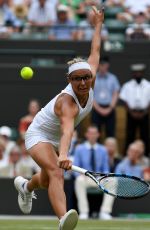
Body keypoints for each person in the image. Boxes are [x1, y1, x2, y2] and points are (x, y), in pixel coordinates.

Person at [14, 6, 104, 230]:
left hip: (57, 140)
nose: (82, 83)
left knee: (45, 181)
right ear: (69, 79)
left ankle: (26, 187)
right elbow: (67, 129)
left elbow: (95, 51)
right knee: (56, 172)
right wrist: (63, 154)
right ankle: (63, 219)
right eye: (77, 79)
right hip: (39, 135)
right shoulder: (67, 102)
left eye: (86, 78)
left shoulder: (89, 77)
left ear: (90, 76)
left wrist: (98, 25)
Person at [73, 125, 109, 219]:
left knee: (113, 182)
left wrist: (104, 176)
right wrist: (81, 175)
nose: (92, 135)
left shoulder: (103, 150)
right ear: (86, 135)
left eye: (94, 133)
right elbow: (75, 167)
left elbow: (106, 168)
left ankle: (105, 212)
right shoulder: (79, 149)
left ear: (98, 135)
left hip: (100, 179)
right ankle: (84, 212)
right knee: (79, 180)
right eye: (90, 133)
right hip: (85, 179)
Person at [119, 63, 150, 155]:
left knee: (145, 136)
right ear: (133, 74)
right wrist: (131, 113)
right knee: (130, 136)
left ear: (143, 73)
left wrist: (144, 112)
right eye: (136, 72)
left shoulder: (148, 85)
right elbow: (124, 101)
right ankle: (127, 155)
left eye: (140, 72)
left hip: (144, 114)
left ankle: (146, 155)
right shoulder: (127, 85)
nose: (138, 74)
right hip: (131, 114)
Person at [91, 56, 120, 137]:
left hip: (110, 108)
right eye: (101, 64)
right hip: (96, 108)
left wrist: (110, 108)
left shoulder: (113, 78)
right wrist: (98, 109)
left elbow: (116, 94)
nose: (102, 66)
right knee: (95, 133)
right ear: (98, 65)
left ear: (108, 65)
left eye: (104, 64)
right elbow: (90, 94)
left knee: (111, 133)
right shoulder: (93, 78)